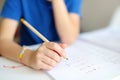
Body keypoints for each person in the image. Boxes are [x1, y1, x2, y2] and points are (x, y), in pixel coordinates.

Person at [0, 0, 82, 70]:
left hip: (57, 59)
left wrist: (57, 1)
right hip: (27, 56)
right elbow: (2, 41)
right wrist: (29, 57)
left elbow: (69, 38)